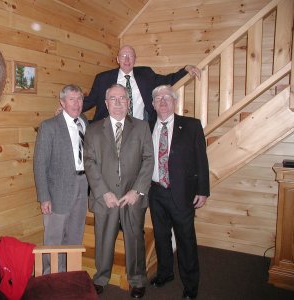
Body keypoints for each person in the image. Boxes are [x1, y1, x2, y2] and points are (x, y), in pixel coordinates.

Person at [83, 84, 154, 299]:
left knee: (134, 238)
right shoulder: (94, 129)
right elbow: (90, 162)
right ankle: (101, 277)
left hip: (132, 196)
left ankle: (137, 279)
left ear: (128, 102)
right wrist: (103, 192)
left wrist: (137, 191)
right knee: (103, 238)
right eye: (112, 99)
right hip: (106, 196)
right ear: (105, 103)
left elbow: (149, 160)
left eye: (122, 98)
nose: (117, 103)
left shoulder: (141, 127)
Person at [148, 85, 210, 299]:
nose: (163, 101)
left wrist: (203, 190)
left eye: (167, 97)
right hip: (155, 192)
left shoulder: (191, 126)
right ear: (153, 104)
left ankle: (191, 286)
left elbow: (202, 160)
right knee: (161, 237)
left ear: (174, 101)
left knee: (186, 240)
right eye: (158, 98)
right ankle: (165, 274)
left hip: (181, 193)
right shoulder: (146, 126)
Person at [33, 84, 88, 274]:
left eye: (80, 98)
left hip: (82, 185)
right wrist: (44, 197)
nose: (77, 103)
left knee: (75, 235)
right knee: (54, 239)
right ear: (62, 102)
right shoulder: (49, 126)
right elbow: (40, 164)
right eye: (71, 99)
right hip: (57, 192)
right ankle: (50, 278)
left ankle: (69, 276)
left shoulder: (84, 122)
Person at [82, 45, 201, 122]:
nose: (127, 60)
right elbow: (90, 100)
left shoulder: (146, 74)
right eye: (123, 56)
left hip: (138, 130)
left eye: (130, 56)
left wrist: (185, 69)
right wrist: (70, 108)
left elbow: (167, 80)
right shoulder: (103, 78)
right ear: (118, 59)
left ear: (135, 59)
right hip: (109, 129)